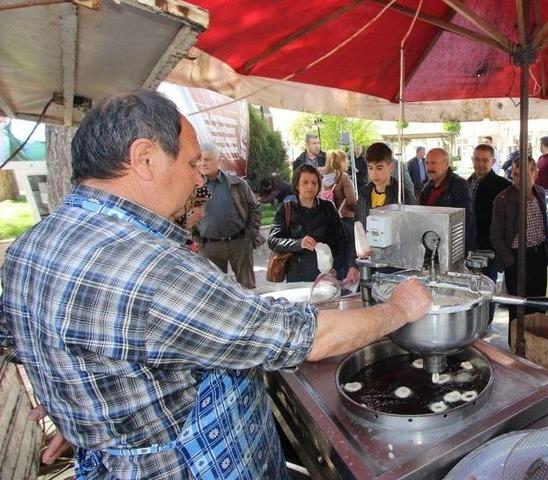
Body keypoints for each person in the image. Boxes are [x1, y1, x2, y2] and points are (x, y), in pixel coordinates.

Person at [0, 90, 432, 479]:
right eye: (191, 163)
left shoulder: (28, 247)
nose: (198, 178)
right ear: (145, 158)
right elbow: (305, 338)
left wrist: (87, 422)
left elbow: (45, 348)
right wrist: (401, 309)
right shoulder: (154, 270)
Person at [490, 156, 548, 342]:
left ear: (535, 173)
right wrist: (509, 260)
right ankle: (516, 346)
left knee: (537, 304)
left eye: (524, 174)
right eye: (515, 174)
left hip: (537, 256)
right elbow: (495, 234)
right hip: (516, 259)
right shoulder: (503, 199)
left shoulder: (540, 193)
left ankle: (536, 344)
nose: (519, 179)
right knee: (518, 307)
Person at [268, 164, 359, 284]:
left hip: (326, 277)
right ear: (297, 185)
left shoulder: (328, 207)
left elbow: (341, 241)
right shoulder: (286, 209)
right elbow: (273, 240)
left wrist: (336, 268)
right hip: (297, 277)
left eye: (314, 183)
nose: (310, 186)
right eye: (305, 182)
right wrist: (299, 243)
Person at [195, 143, 262, 290]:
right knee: (215, 290)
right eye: (199, 159)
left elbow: (255, 209)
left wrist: (250, 235)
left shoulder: (237, 184)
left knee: (247, 288)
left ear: (219, 160)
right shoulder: (192, 187)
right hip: (209, 247)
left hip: (239, 243)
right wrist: (197, 242)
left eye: (208, 159)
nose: (202, 163)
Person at [467, 144, 510, 309]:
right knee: (472, 290)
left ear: (493, 161)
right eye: (477, 159)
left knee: (487, 289)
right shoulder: (468, 182)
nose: (480, 163)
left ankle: (486, 324)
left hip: (490, 248)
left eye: (485, 160)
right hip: (470, 246)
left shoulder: (502, 186)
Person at [420, 147, 476, 251]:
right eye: (427, 163)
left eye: (433, 163)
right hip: (431, 245)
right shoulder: (428, 187)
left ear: (446, 164)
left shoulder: (460, 186)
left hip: (453, 248)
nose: (429, 167)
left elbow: (465, 220)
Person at [355, 142, 417, 229]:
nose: (374, 174)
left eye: (379, 168)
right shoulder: (363, 195)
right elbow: (358, 226)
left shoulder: (404, 196)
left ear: (391, 167)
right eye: (370, 168)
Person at [320, 150, 358, 281]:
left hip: (327, 222)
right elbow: (352, 200)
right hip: (345, 219)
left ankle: (332, 276)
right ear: (340, 162)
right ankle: (346, 278)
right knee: (347, 250)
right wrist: (356, 210)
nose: (347, 162)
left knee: (333, 251)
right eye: (345, 160)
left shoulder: (322, 177)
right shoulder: (343, 177)